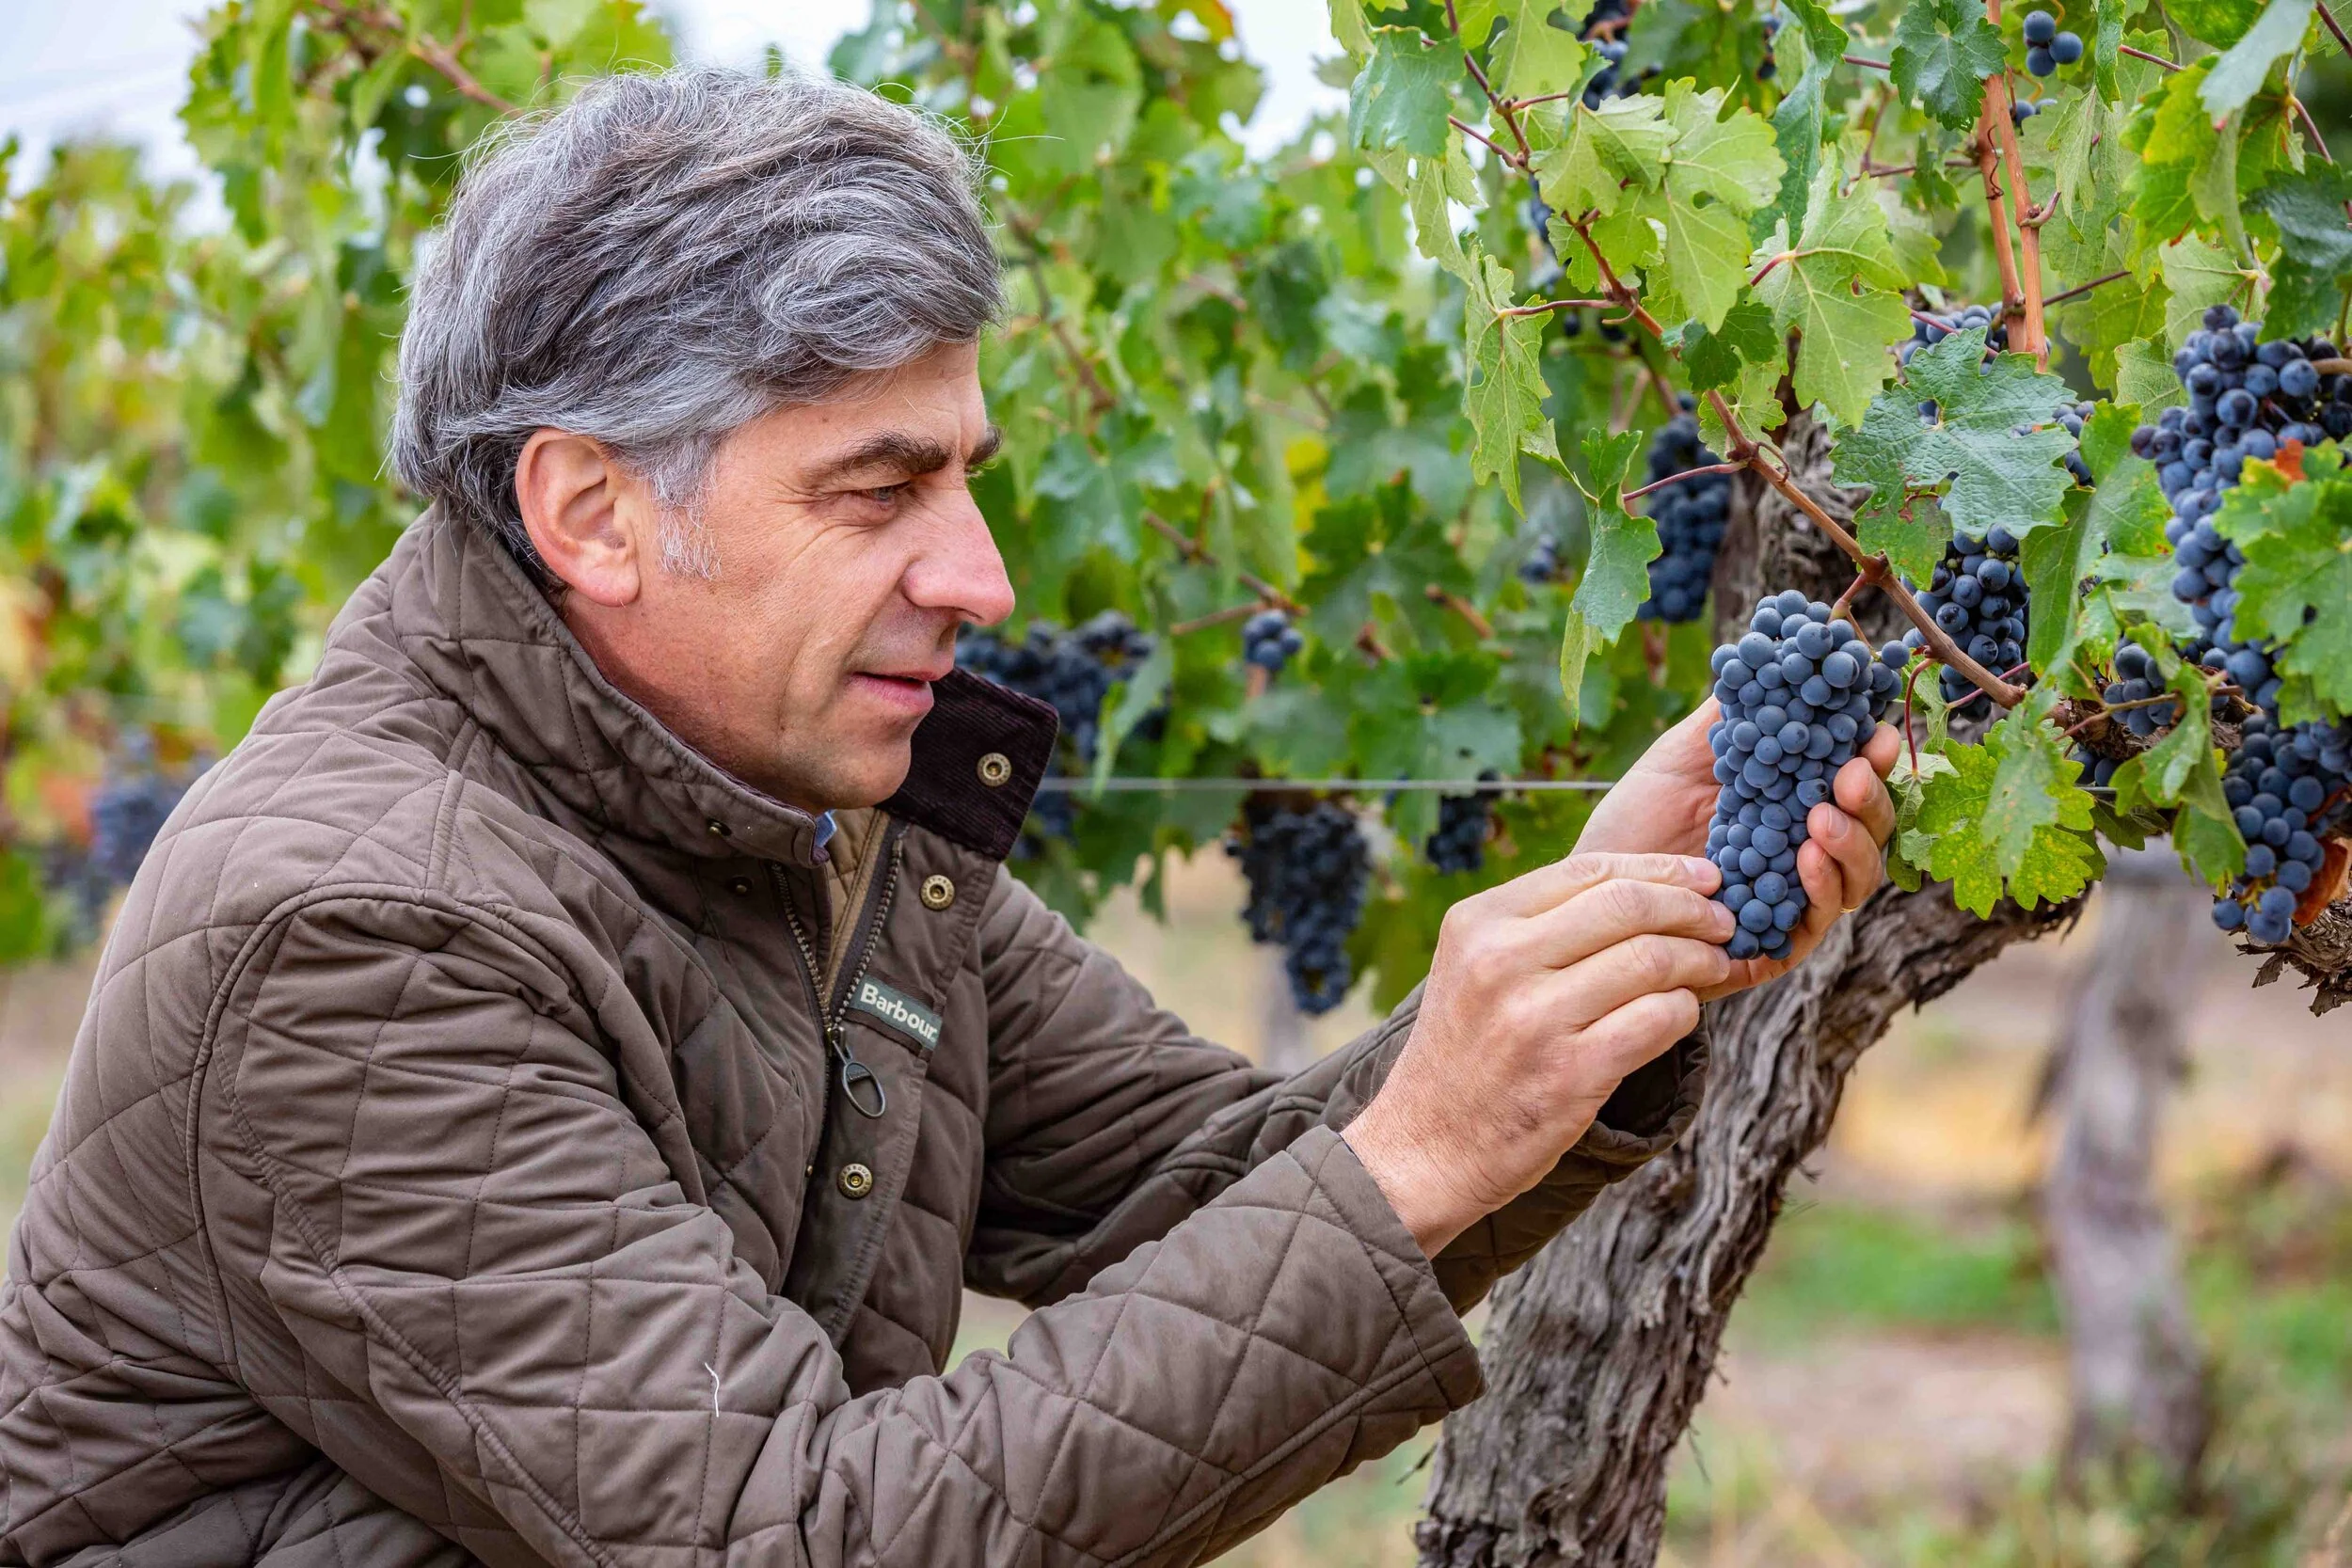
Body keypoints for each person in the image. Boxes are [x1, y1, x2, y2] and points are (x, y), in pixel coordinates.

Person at [0, 68, 1897, 1568]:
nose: (979, 573)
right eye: (874, 490)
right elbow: (797, 1532)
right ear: (586, 513)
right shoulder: (354, 938)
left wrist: (1619, 937)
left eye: (964, 477)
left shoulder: (806, 814)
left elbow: (1224, 1188)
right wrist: (1415, 1153)